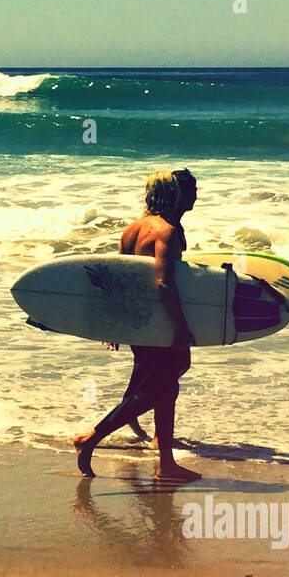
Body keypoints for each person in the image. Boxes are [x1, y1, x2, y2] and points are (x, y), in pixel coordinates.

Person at [73, 168, 201, 481]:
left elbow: (119, 279)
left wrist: (116, 324)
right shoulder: (166, 231)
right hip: (158, 322)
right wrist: (180, 326)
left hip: (137, 321)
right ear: (172, 193)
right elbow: (164, 284)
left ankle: (166, 462)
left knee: (166, 387)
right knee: (159, 387)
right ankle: (92, 437)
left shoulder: (131, 230)